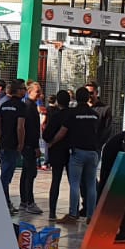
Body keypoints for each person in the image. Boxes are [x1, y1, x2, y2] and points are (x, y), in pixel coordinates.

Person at [61, 86, 102, 223]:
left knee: (75, 183)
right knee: (91, 184)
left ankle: (73, 214)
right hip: (93, 152)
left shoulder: (73, 114)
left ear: (76, 98)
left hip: (78, 152)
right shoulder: (95, 114)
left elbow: (63, 131)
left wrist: (51, 142)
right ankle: (91, 215)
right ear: (88, 98)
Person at [45, 89, 73, 221]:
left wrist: (51, 142)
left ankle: (52, 211)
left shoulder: (56, 116)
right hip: (71, 152)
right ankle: (74, 211)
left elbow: (46, 135)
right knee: (74, 182)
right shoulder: (73, 115)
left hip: (57, 151)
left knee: (55, 180)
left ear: (57, 101)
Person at [0, 80, 24, 209]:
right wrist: (21, 143)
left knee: (5, 171)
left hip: (3, 142)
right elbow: (20, 127)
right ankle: (4, 202)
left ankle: (5, 201)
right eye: (23, 88)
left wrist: (0, 137)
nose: (24, 91)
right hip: (13, 144)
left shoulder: (4, 105)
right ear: (18, 91)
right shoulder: (21, 106)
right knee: (6, 175)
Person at [18, 82, 43, 215]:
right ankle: (29, 201)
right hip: (29, 145)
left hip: (28, 144)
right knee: (30, 173)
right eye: (37, 91)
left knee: (26, 173)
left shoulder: (31, 106)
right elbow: (31, 129)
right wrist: (35, 146)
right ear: (30, 91)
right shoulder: (29, 107)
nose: (39, 94)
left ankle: (24, 201)